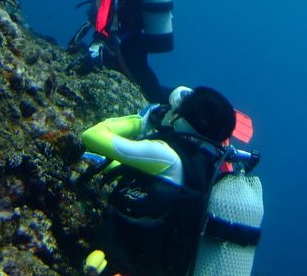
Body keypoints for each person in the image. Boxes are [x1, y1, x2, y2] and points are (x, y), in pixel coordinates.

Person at [80, 86, 242, 276]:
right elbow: (154, 187)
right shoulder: (200, 166)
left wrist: (140, 122)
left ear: (178, 117)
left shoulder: (165, 155)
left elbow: (91, 136)